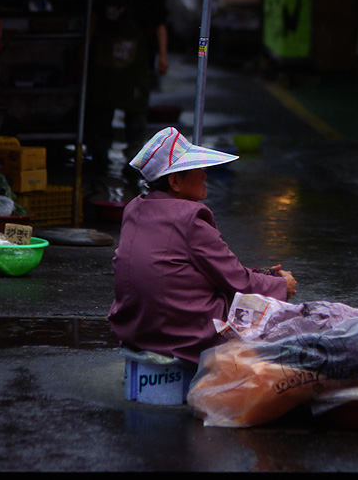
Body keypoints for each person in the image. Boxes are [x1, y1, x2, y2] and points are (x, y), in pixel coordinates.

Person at [108, 127, 297, 365]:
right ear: (175, 181)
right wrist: (281, 285)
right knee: (269, 313)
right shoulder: (190, 216)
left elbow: (203, 269)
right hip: (182, 335)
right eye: (198, 170)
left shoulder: (134, 208)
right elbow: (238, 281)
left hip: (135, 330)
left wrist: (264, 274)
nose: (205, 176)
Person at [85, 0, 169, 172]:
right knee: (101, 108)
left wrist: (163, 56)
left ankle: (133, 159)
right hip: (105, 60)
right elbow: (95, 17)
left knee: (135, 112)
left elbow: (160, 24)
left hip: (135, 63)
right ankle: (98, 155)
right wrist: (86, 46)